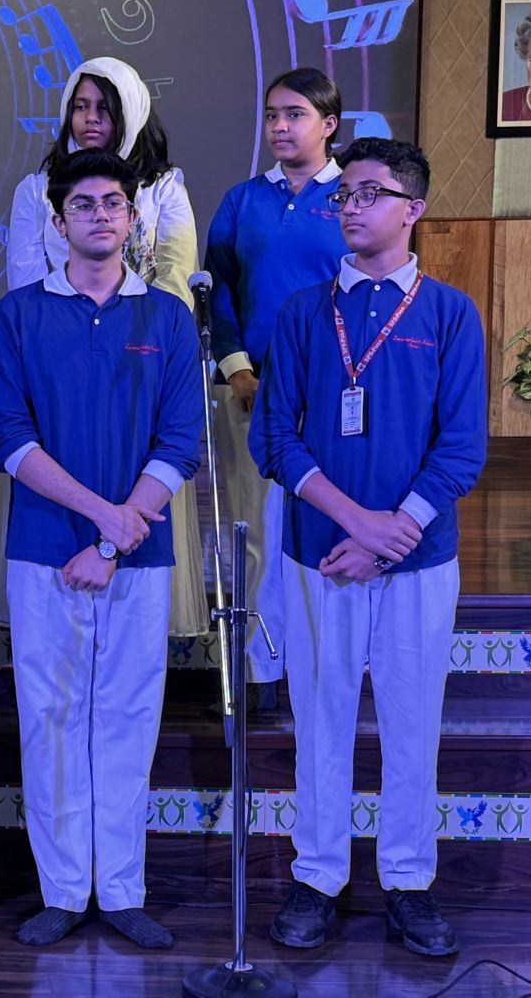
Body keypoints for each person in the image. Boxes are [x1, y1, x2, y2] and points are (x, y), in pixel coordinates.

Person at [251, 138, 486, 958]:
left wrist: (390, 538)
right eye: (343, 195)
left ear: (412, 209)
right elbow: (275, 439)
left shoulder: (450, 313)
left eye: (369, 193)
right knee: (321, 720)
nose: (350, 207)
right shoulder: (303, 313)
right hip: (320, 553)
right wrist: (357, 524)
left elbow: (462, 449)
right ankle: (317, 876)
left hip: (418, 559)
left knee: (412, 722)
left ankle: (409, 880)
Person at [0, 149, 202, 950]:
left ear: (132, 217)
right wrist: (101, 519)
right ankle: (63, 890)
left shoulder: (168, 318)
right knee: (48, 719)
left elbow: (181, 442)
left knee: (128, 719)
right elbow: (10, 439)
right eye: (85, 204)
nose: (101, 215)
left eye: (114, 202)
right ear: (58, 220)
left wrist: (114, 537)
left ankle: (121, 890)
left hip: (139, 556)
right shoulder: (19, 314)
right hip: (45, 549)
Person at [0, 56, 205, 638]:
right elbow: (27, 283)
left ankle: (119, 545)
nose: (90, 120)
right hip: (59, 371)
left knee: (133, 638)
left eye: (104, 109)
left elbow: (173, 282)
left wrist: (123, 336)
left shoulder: (165, 187)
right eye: (80, 107)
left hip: (140, 376)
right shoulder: (38, 190)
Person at [203, 67, 349, 698]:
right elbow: (217, 291)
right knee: (255, 527)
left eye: (295, 114)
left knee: (328, 523)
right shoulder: (243, 200)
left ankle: (324, 663)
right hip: (251, 389)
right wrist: (237, 367)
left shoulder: (354, 198)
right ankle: (259, 666)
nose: (280, 127)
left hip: (332, 392)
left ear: (329, 124)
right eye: (272, 115)